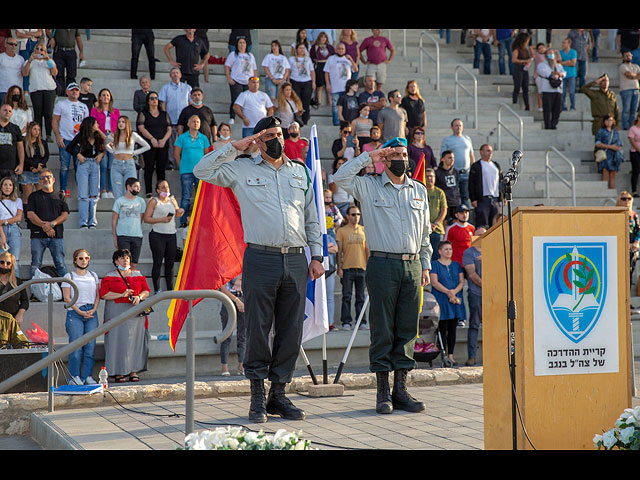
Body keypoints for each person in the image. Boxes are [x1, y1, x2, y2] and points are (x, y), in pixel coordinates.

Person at [193, 115, 324, 423]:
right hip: (260, 258)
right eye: (269, 135)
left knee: (291, 331)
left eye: (279, 134)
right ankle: (256, 398)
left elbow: (312, 217)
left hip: (296, 258)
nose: (277, 139)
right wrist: (234, 147)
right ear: (257, 140)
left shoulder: (300, 172)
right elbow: (202, 170)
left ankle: (278, 394)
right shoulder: (240, 168)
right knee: (257, 329)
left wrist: (316, 255)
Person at [331, 136, 431, 415]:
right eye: (395, 154)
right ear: (385, 160)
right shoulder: (368, 186)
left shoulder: (419, 191)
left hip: (411, 265)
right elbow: (339, 176)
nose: (401, 158)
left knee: (407, 329)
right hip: (382, 265)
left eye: (403, 153)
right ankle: (383, 392)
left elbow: (425, 234)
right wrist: (369, 156)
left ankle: (401, 389)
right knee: (383, 328)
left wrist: (425, 264)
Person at [100, 248, 151, 383]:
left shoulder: (138, 274)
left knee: (135, 341)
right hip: (116, 311)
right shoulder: (109, 275)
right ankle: (117, 371)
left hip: (136, 312)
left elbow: (147, 290)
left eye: (127, 258)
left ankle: (133, 370)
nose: (125, 260)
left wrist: (139, 296)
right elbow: (103, 294)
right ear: (116, 261)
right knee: (116, 341)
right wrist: (121, 295)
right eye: (122, 258)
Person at [63, 248, 100, 386]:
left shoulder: (93, 275)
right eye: (80, 258)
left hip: (91, 311)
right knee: (76, 346)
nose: (84, 261)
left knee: (90, 346)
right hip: (75, 312)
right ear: (75, 260)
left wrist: (94, 309)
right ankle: (74, 376)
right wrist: (79, 311)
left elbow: (97, 295)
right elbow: (67, 298)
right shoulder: (69, 276)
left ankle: (87, 376)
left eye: (86, 258)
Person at [25, 168, 69, 278]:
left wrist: (51, 224)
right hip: (37, 236)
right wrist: (44, 226)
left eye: (48, 177)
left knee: (60, 264)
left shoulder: (60, 196)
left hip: (57, 235)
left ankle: (67, 291)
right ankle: (34, 292)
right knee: (36, 265)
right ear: (39, 181)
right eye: (42, 178)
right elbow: (30, 214)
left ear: (53, 179)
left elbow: (65, 215)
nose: (45, 179)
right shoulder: (33, 196)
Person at [143, 180, 183, 294]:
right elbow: (146, 218)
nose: (166, 190)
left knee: (170, 263)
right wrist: (162, 219)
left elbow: (178, 213)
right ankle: (157, 289)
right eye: (163, 187)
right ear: (158, 190)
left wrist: (180, 210)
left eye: (167, 187)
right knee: (158, 262)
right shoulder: (154, 201)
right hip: (157, 234)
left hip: (171, 234)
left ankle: (170, 289)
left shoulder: (172, 200)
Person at [429, 240, 465, 366]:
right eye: (446, 249)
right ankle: (443, 356)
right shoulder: (435, 264)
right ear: (439, 251)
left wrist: (453, 292)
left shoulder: (456, 265)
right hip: (441, 299)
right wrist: (448, 293)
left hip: (454, 299)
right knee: (442, 328)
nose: (449, 251)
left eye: (450, 249)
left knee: (453, 328)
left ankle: (451, 356)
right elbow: (434, 282)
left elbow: (461, 281)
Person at [65, 117, 105, 229]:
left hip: (95, 164)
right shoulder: (81, 136)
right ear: (90, 125)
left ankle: (92, 222)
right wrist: (78, 154)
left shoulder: (97, 136)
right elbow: (69, 147)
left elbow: (104, 145)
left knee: (94, 194)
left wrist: (101, 155)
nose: (98, 125)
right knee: (83, 194)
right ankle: (83, 222)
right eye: (96, 123)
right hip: (84, 163)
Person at [53, 83, 89, 199]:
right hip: (66, 140)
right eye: (72, 90)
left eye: (77, 90)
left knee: (80, 167)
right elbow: (54, 121)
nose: (75, 92)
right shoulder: (61, 104)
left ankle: (81, 191)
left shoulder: (84, 106)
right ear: (67, 92)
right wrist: (58, 136)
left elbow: (87, 124)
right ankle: (63, 190)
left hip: (79, 141)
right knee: (64, 166)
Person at [336, 205, 369, 331]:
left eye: (358, 214)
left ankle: (362, 321)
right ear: (348, 216)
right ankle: (346, 321)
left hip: (362, 267)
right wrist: (339, 268)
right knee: (347, 296)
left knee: (361, 296)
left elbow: (367, 250)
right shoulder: (342, 231)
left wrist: (368, 266)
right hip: (347, 268)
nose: (356, 217)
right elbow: (339, 251)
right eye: (353, 214)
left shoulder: (364, 230)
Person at [174, 115, 210, 227]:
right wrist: (182, 166)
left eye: (198, 122)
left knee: (202, 197)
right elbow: (176, 154)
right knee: (186, 197)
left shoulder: (204, 138)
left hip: (200, 172)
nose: (196, 123)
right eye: (193, 121)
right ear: (188, 124)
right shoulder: (182, 138)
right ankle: (183, 221)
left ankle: (201, 221)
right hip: (186, 172)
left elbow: (207, 155)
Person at [137, 91, 172, 197]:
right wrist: (152, 139)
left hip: (162, 144)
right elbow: (141, 127)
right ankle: (149, 191)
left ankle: (162, 191)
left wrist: (164, 140)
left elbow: (169, 128)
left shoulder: (164, 114)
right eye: (152, 98)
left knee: (161, 168)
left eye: (156, 98)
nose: (154, 100)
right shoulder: (144, 113)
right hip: (149, 144)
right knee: (149, 167)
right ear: (148, 101)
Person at [106, 116, 151, 199]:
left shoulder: (133, 135)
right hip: (116, 164)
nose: (120, 124)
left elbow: (147, 146)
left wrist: (133, 153)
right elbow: (105, 144)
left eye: (123, 122)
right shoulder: (114, 134)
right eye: (119, 122)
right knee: (117, 190)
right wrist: (113, 151)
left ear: (127, 124)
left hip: (129, 163)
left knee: (130, 189)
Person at [23, 42, 57, 142]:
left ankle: (48, 134)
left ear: (45, 51)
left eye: (41, 49)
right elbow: (25, 73)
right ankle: (38, 135)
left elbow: (55, 72)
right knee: (38, 113)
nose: (39, 51)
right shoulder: (30, 62)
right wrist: (30, 60)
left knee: (48, 112)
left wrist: (47, 59)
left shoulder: (49, 61)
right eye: (37, 49)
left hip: (49, 89)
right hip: (35, 89)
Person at [158, 67, 192, 168]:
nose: (175, 74)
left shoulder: (187, 88)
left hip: (184, 122)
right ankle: (172, 163)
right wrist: (165, 119)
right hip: (171, 121)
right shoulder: (165, 88)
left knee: (185, 143)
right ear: (170, 76)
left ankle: (184, 163)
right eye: (173, 73)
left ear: (180, 75)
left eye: (177, 72)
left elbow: (190, 104)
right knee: (172, 143)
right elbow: (163, 104)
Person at [462, 226, 486, 366]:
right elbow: (472, 274)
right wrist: (487, 286)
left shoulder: (494, 250)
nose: (482, 237)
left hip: (493, 294)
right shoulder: (468, 252)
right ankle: (472, 356)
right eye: (479, 235)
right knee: (474, 325)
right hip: (476, 293)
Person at [91, 88, 120, 199]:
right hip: (100, 140)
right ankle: (103, 190)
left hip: (113, 140)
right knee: (103, 165)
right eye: (103, 95)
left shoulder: (115, 111)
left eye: (108, 95)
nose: (106, 97)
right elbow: (94, 125)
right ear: (99, 97)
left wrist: (113, 137)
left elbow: (118, 125)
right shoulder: (95, 110)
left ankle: (111, 190)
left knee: (111, 166)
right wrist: (103, 135)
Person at [111, 177, 146, 268]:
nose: (138, 188)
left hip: (137, 236)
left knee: (134, 263)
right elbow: (114, 220)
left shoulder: (141, 201)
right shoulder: (119, 201)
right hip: (123, 236)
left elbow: (141, 218)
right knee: (123, 263)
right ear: (128, 187)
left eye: (139, 186)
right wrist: (115, 238)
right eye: (135, 186)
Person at [440, 119, 475, 207]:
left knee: (465, 197)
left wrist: (473, 169)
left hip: (466, 172)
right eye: (456, 125)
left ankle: (466, 218)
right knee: (453, 197)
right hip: (453, 173)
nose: (458, 127)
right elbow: (442, 156)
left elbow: (471, 155)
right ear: (452, 127)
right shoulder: (447, 140)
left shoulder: (467, 139)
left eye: (460, 125)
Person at [218, 275, 247, 377]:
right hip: (228, 299)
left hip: (243, 297)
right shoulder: (225, 265)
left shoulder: (244, 263)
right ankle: (224, 366)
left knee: (243, 334)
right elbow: (222, 288)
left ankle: (241, 364)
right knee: (226, 333)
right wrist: (236, 300)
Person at [224, 38, 256, 125]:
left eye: (243, 43)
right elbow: (227, 66)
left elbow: (254, 69)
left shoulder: (250, 56)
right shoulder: (233, 55)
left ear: (246, 45)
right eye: (240, 43)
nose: (242, 44)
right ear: (237, 45)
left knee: (248, 101)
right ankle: (232, 117)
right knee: (235, 99)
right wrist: (229, 78)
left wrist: (254, 81)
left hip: (248, 82)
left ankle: (246, 117)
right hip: (236, 81)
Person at [469, 144, 502, 227]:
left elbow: (501, 181)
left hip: (495, 199)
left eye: (491, 151)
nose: (490, 153)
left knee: (496, 223)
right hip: (482, 199)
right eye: (487, 151)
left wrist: (503, 197)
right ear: (481, 152)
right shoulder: (476, 166)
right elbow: (471, 183)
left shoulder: (496, 165)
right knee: (482, 224)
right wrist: (473, 199)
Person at [325, 42, 357, 126]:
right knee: (335, 106)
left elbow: (355, 69)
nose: (340, 50)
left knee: (347, 106)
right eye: (339, 48)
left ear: (345, 50)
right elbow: (326, 72)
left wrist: (351, 59)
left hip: (347, 88)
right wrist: (328, 84)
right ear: (335, 49)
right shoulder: (331, 59)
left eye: (342, 49)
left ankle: (347, 124)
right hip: (335, 87)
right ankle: (336, 123)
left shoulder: (347, 59)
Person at [324, 189, 342, 330]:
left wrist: (328, 247)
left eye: (329, 196)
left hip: (330, 267)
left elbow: (335, 249)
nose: (327, 198)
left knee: (329, 295)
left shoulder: (333, 208)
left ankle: (330, 322)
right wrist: (326, 247)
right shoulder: (317, 208)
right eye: (325, 196)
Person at [46, 29, 83, 95]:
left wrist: (81, 52)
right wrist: (51, 38)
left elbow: (78, 37)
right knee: (59, 75)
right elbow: (47, 30)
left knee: (71, 75)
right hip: (59, 50)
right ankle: (61, 93)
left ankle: (71, 93)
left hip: (71, 51)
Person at [537, 51, 566, 130]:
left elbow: (564, 73)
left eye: (552, 54)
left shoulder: (558, 66)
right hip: (547, 90)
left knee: (557, 109)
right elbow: (542, 72)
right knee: (547, 109)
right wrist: (551, 74)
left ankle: (554, 124)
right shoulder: (542, 65)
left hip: (558, 90)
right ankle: (547, 125)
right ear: (546, 55)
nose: (551, 56)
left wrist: (560, 74)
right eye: (549, 54)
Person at [21, 121, 48, 204]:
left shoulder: (43, 143)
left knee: (41, 196)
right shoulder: (24, 142)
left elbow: (46, 156)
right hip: (27, 170)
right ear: (30, 130)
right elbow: (23, 157)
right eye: (34, 129)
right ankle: (27, 216)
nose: (37, 131)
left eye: (39, 130)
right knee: (28, 197)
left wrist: (39, 166)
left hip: (40, 170)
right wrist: (33, 166)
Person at [288, 43, 315, 126]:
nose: (302, 50)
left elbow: (312, 71)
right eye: (300, 48)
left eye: (303, 48)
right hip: (295, 80)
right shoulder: (292, 59)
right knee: (297, 101)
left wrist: (313, 82)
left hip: (307, 81)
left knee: (306, 101)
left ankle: (305, 119)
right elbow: (289, 71)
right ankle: (297, 119)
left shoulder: (308, 59)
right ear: (296, 49)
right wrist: (288, 81)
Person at [595, 114, 624, 189]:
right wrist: (611, 147)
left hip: (614, 156)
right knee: (606, 174)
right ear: (604, 121)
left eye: (610, 120)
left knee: (613, 175)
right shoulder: (601, 131)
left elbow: (619, 143)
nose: (609, 122)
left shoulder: (615, 132)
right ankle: (605, 193)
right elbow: (598, 144)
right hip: (605, 155)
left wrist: (618, 148)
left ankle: (612, 192)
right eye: (607, 120)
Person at [424, 168, 447, 262]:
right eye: (427, 176)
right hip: (424, 230)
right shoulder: (421, 191)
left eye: (431, 176)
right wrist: (428, 223)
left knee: (437, 258)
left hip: (437, 230)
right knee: (425, 256)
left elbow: (444, 210)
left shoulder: (440, 192)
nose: (429, 178)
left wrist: (436, 223)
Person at [617, 191, 640, 283]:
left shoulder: (634, 215)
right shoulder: (616, 214)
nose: (626, 201)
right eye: (623, 199)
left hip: (632, 246)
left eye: (629, 199)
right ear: (619, 201)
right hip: (620, 244)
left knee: (630, 269)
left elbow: (638, 230)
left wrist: (636, 242)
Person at [0, 177, 22, 269]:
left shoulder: (18, 201)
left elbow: (18, 217)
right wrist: (2, 236)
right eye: (5, 185)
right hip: (1, 230)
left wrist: (4, 221)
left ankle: (14, 282)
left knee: (14, 259)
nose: (8, 187)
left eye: (10, 185)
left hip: (14, 229)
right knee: (1, 258)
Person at [444, 205, 475, 270]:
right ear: (456, 215)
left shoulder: (472, 228)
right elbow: (446, 245)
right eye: (461, 213)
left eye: (466, 212)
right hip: (456, 263)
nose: (465, 215)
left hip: (470, 262)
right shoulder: (451, 229)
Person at [0, 252, 28, 325]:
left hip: (12, 320)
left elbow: (25, 301)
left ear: (12, 265)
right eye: (2, 262)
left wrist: (20, 314)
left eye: (8, 263)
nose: (4, 265)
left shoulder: (18, 282)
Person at [309, 32, 334, 108]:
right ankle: (319, 102)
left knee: (328, 85)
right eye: (321, 37)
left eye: (324, 37)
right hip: (319, 65)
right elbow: (312, 56)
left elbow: (333, 55)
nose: (323, 39)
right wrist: (314, 60)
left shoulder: (329, 47)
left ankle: (331, 102)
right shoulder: (315, 47)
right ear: (319, 38)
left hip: (328, 65)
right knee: (319, 85)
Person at [0, 104, 24, 180]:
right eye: (5, 110)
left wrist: (21, 165)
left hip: (11, 168)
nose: (7, 112)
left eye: (10, 111)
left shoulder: (15, 129)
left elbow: (20, 148)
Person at [435, 150, 461, 219]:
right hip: (444, 203)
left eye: (453, 158)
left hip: (455, 203)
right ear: (442, 159)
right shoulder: (437, 173)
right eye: (449, 158)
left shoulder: (456, 172)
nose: (452, 160)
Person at [511, 31, 533, 111]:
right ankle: (514, 102)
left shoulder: (526, 50)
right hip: (518, 69)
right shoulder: (517, 49)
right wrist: (524, 61)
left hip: (525, 69)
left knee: (525, 88)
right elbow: (514, 60)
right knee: (517, 87)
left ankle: (527, 105)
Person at [0, 37, 25, 103]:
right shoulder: (1, 57)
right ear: (5, 44)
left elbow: (24, 74)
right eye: (11, 44)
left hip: (17, 92)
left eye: (15, 45)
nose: (13, 46)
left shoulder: (21, 59)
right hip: (3, 90)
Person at [619, 51, 640, 130]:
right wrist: (635, 76)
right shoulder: (622, 66)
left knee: (634, 111)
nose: (628, 57)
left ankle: (632, 127)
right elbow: (628, 74)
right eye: (626, 56)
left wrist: (633, 76)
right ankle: (624, 126)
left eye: (629, 55)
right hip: (626, 89)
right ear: (623, 57)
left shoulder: (636, 66)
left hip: (636, 90)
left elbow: (638, 76)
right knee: (626, 110)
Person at [559, 38, 577, 112]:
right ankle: (563, 106)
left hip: (571, 74)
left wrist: (563, 62)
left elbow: (573, 63)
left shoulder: (573, 52)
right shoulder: (560, 52)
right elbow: (558, 62)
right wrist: (568, 62)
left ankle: (572, 106)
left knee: (571, 91)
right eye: (563, 43)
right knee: (562, 92)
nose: (563, 44)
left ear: (569, 44)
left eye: (565, 43)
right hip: (562, 74)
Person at [629, 114, 640, 196]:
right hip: (635, 152)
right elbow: (632, 141)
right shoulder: (633, 129)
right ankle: (634, 191)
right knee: (636, 171)